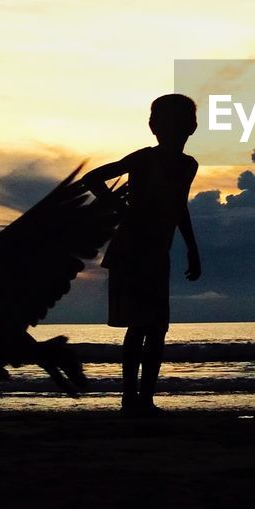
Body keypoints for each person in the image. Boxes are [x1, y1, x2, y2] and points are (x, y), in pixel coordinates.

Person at [83, 94, 201, 415]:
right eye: (167, 122)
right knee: (140, 326)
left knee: (157, 327)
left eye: (180, 122)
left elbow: (179, 208)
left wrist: (191, 248)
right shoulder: (144, 159)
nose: (175, 128)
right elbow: (91, 178)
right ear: (154, 127)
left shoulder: (188, 165)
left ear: (191, 127)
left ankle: (144, 398)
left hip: (158, 252)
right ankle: (131, 399)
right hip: (132, 250)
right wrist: (119, 206)